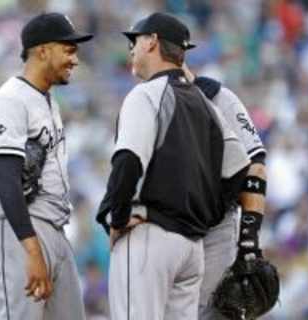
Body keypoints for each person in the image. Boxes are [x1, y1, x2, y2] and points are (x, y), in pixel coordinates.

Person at [96, 12, 250, 320]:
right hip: (191, 250)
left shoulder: (146, 94)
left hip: (149, 237)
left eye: (135, 41)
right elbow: (238, 172)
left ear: (152, 42)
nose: (131, 49)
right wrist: (201, 218)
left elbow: (128, 161)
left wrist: (117, 218)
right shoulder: (204, 103)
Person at [0, 12, 93, 320]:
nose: (75, 59)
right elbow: (5, 180)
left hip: (53, 228)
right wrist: (31, 251)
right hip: (17, 230)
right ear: (42, 50)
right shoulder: (9, 101)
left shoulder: (45, 100)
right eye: (68, 49)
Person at [182, 67, 268, 319]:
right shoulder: (149, 103)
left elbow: (256, 165)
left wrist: (249, 240)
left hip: (215, 231)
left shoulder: (219, 97)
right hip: (170, 233)